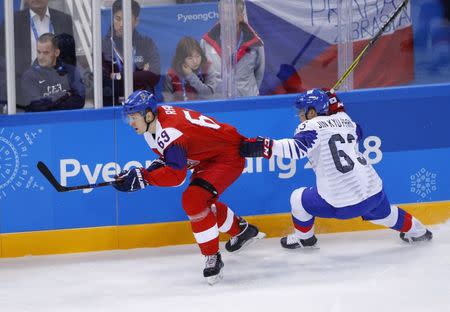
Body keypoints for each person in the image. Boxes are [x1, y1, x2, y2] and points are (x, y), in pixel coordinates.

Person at [240, 88, 432, 249]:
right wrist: (335, 102)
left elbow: (297, 149)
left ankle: (304, 239)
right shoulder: (347, 120)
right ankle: (419, 232)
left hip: (341, 203)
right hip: (374, 192)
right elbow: (357, 132)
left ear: (313, 112)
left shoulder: (310, 126)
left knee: (298, 198)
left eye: (302, 111)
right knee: (386, 214)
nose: (299, 116)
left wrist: (264, 146)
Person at [112, 90, 265, 284]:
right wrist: (145, 173)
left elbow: (176, 176)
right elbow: (169, 158)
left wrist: (145, 177)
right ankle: (242, 231)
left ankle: (212, 256)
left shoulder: (169, 131)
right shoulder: (155, 126)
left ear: (148, 115)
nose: (131, 123)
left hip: (226, 157)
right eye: (129, 118)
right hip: (209, 156)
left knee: (193, 200)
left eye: (134, 118)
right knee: (198, 202)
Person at [0, 0, 74, 108]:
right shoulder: (12, 22)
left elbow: (69, 58)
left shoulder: (64, 20)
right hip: (23, 98)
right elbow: (2, 60)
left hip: (58, 93)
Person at [200, 0, 265, 97]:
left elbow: (259, 74)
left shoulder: (256, 44)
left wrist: (245, 93)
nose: (225, 18)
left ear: (240, 16)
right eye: (223, 13)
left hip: (246, 103)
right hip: (216, 104)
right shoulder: (205, 43)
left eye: (230, 14)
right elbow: (202, 75)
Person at [102, 0, 160, 105]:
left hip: (143, 104)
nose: (121, 24)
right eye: (117, 19)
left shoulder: (146, 43)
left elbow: (155, 75)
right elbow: (104, 81)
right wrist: (141, 73)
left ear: (136, 21)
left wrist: (117, 76)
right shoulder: (103, 46)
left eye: (126, 19)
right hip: (112, 105)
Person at [21, 33, 85, 112]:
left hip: (67, 121)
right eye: (39, 52)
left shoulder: (71, 71)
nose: (41, 57)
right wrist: (65, 94)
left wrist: (49, 103)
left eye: (46, 53)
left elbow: (79, 101)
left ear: (56, 53)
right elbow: (36, 106)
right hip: (39, 123)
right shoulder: (29, 76)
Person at [163, 36, 219, 102]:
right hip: (180, 110)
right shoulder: (171, 74)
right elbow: (167, 101)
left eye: (198, 56)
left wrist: (191, 76)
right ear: (182, 59)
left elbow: (209, 94)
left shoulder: (207, 68)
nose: (195, 61)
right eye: (190, 58)